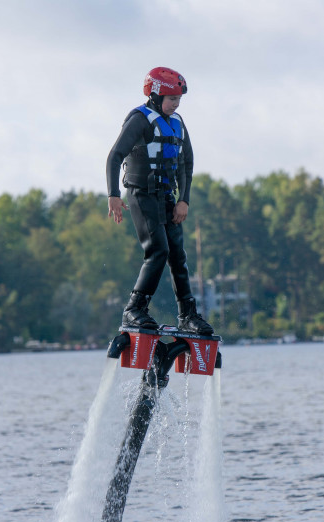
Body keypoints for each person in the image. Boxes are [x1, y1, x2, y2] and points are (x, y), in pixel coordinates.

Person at [106, 66, 213, 335]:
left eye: (178, 99)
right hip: (141, 195)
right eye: (171, 98)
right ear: (154, 95)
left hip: (167, 197)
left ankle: (188, 315)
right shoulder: (139, 120)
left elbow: (186, 163)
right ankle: (134, 310)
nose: (176, 104)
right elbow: (114, 156)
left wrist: (184, 200)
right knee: (158, 250)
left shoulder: (178, 122)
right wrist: (113, 195)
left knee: (178, 255)